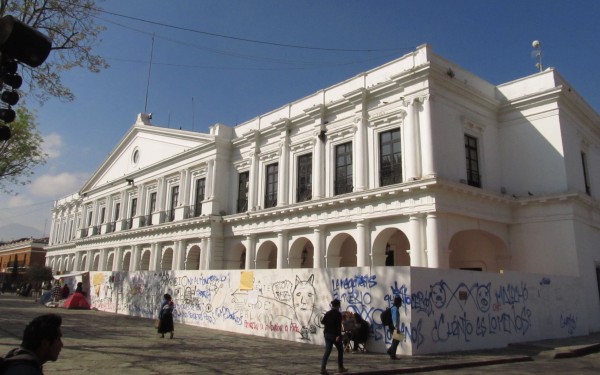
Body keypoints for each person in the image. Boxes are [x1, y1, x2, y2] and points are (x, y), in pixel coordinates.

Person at [320, 299, 347, 374]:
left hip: (327, 334)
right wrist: (338, 335)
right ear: (338, 305)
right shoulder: (338, 314)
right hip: (334, 335)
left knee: (327, 351)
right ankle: (340, 367)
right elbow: (338, 326)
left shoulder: (328, 313)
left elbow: (322, 322)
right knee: (340, 350)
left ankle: (323, 368)